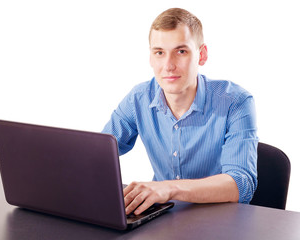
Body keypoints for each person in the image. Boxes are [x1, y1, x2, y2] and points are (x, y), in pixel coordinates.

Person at [102, 8, 258, 216]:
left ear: (201, 55)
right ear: (150, 57)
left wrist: (169, 188)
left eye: (181, 51)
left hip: (222, 222)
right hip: (163, 218)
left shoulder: (236, 102)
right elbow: (98, 153)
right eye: (159, 52)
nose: (168, 65)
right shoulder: (138, 98)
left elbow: (241, 184)